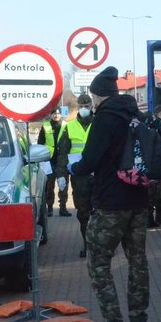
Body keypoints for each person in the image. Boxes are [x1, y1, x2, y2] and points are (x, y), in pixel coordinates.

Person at [69, 66, 150, 322]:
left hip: (111, 203)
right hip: (139, 200)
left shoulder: (105, 119)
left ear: (98, 96)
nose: (91, 104)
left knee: (98, 263)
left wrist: (73, 167)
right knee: (137, 260)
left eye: (92, 98)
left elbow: (90, 161)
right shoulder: (134, 114)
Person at [55, 93, 94, 257]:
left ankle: (101, 247)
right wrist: (61, 175)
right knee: (83, 213)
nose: (85, 109)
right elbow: (62, 154)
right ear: (78, 107)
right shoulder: (69, 127)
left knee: (101, 213)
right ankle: (87, 245)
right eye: (82, 106)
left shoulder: (100, 124)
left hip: (99, 176)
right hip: (80, 178)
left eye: (87, 106)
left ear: (92, 106)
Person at [37, 107, 70, 216]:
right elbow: (40, 143)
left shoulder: (66, 125)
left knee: (63, 185)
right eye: (54, 113)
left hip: (63, 160)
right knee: (49, 186)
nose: (56, 115)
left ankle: (63, 208)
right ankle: (50, 208)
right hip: (49, 161)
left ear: (61, 114)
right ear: (51, 115)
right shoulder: (45, 126)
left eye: (58, 113)